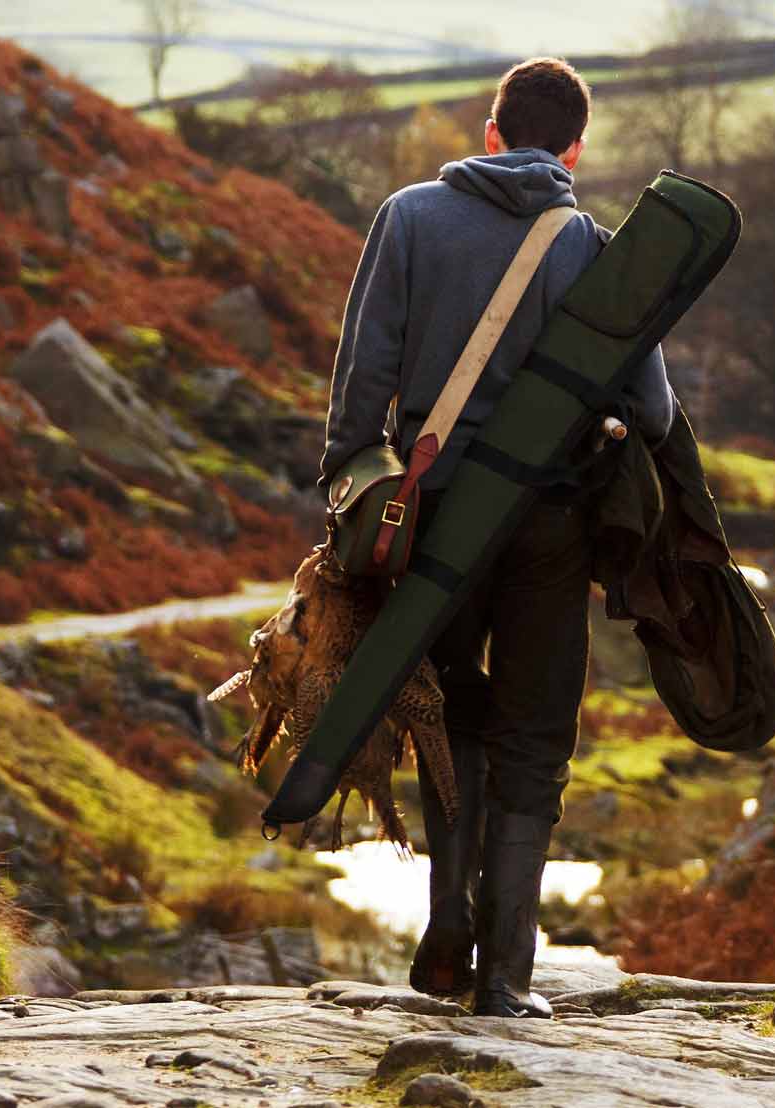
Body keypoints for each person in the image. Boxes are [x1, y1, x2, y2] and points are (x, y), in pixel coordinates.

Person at [319, 57, 673, 1019]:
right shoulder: (595, 249)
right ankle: (506, 978)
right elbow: (651, 405)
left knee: (447, 720)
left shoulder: (406, 218)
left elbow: (361, 384)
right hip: (550, 524)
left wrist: (357, 497)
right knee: (533, 736)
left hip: (432, 517)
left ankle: (445, 931)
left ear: (488, 133)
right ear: (574, 151)